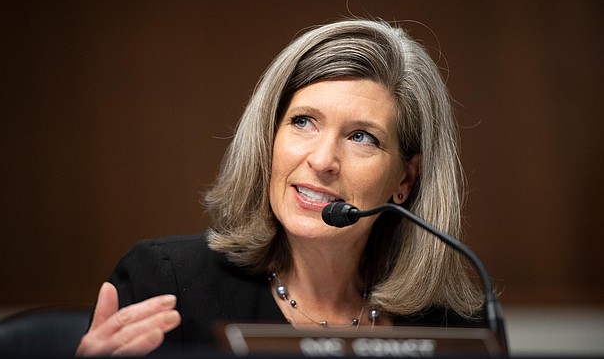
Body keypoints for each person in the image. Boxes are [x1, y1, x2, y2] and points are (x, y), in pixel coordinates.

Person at [76, 18, 491, 356]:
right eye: (303, 121)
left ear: (404, 179)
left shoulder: (457, 327)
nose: (322, 160)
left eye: (361, 136)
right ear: (269, 138)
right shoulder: (170, 286)